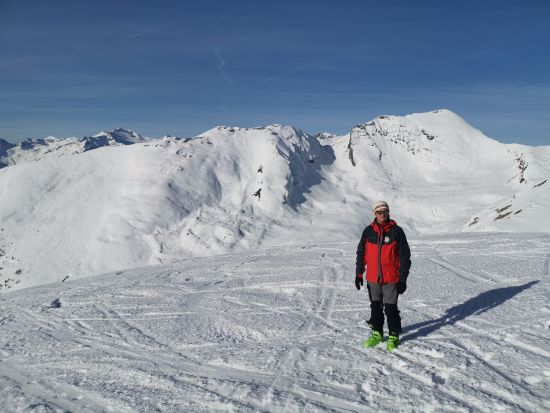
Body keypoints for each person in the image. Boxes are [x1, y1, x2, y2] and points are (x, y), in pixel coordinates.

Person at [355, 200, 411, 351]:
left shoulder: (396, 232)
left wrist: (403, 279)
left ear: (388, 212)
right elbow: (361, 254)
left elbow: (404, 257)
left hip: (391, 278)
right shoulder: (368, 232)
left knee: (391, 308)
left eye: (385, 211)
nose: (382, 214)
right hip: (373, 278)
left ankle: (393, 335)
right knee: (375, 306)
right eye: (379, 212)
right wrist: (359, 274)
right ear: (375, 213)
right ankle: (377, 333)